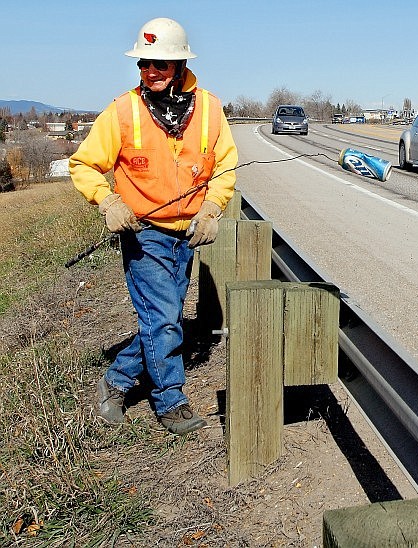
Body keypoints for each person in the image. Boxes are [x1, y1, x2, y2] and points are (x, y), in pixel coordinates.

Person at [69, 17, 238, 435]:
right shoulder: (123, 111)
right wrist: (107, 199)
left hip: (188, 235)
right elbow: (84, 163)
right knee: (163, 319)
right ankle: (170, 403)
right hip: (145, 234)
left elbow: (225, 166)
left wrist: (211, 208)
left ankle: (115, 381)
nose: (150, 72)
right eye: (144, 64)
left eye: (160, 65)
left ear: (180, 66)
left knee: (164, 319)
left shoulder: (211, 109)